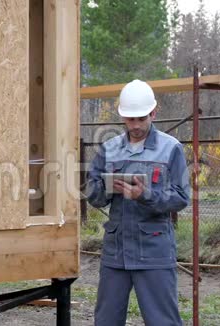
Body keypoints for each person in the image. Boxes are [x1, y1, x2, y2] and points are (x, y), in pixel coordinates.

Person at [86, 79, 190, 326]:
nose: (135, 125)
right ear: (122, 117)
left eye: (141, 118)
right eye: (130, 119)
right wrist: (108, 190)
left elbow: (181, 197)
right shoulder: (109, 149)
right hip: (116, 252)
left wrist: (146, 195)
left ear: (154, 113)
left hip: (154, 251)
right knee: (106, 321)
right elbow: (92, 193)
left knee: (162, 321)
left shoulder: (171, 149)